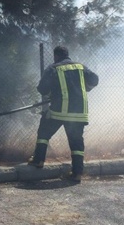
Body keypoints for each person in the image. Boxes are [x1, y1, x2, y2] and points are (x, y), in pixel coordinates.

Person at [28, 46, 99, 183]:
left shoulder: (53, 68)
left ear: (56, 56)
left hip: (59, 112)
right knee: (76, 142)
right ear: (68, 55)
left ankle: (38, 160)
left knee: (44, 133)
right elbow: (95, 80)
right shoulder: (80, 67)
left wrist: (51, 94)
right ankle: (77, 173)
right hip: (79, 113)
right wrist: (87, 88)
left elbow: (42, 89)